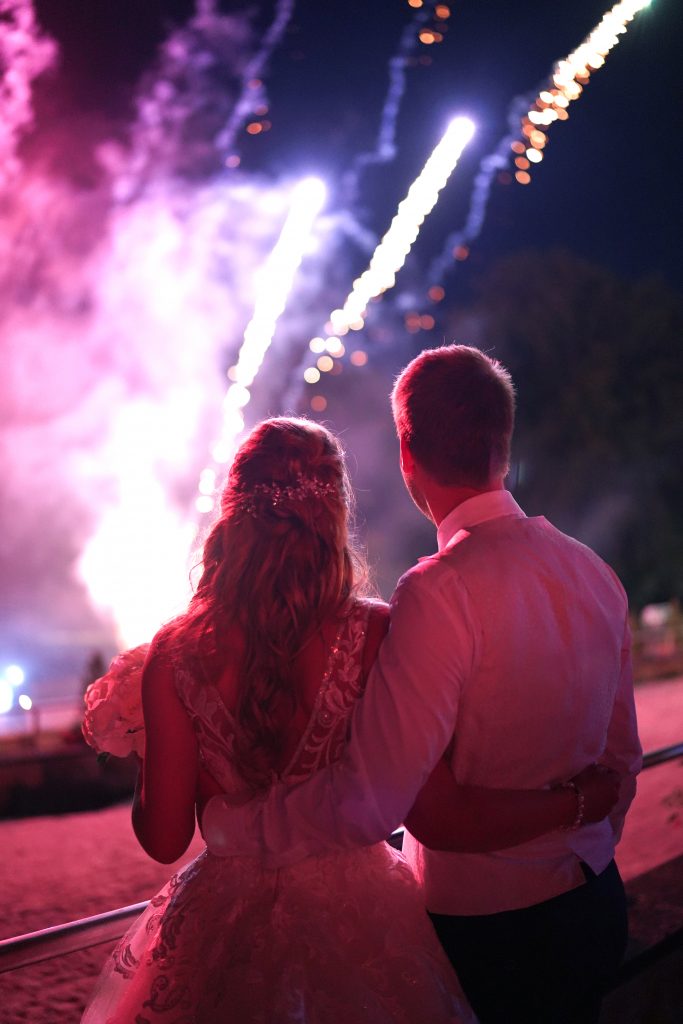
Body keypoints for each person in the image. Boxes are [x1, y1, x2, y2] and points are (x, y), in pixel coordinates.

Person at [81, 415, 618, 1024]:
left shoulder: (173, 655)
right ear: (334, 509)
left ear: (232, 510)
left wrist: (145, 747)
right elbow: (425, 803)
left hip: (219, 916)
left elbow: (165, 839)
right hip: (360, 909)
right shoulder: (377, 631)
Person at [202, 350, 642, 1024]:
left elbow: (374, 804)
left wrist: (238, 827)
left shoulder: (437, 593)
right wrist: (582, 823)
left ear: (408, 451)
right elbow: (621, 760)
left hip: (489, 932)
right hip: (593, 902)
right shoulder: (593, 572)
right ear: (504, 440)